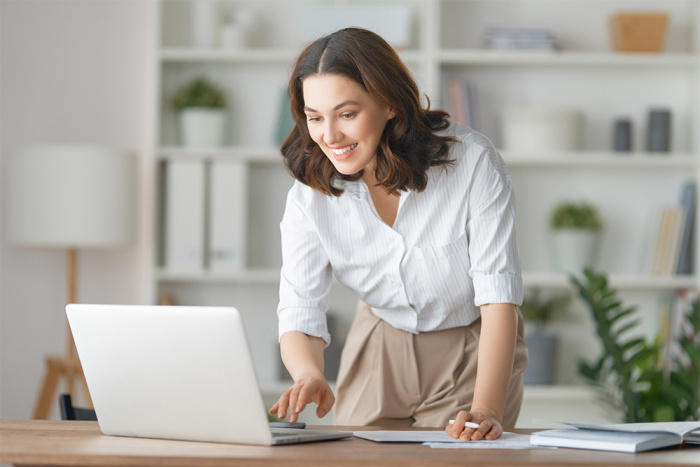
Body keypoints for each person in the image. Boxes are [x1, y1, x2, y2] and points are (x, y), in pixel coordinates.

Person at [269, 27, 528, 442]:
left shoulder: (473, 164)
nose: (329, 136)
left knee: (461, 453)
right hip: (378, 339)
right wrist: (308, 373)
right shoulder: (309, 195)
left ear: (389, 103)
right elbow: (300, 306)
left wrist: (485, 409)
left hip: (470, 341)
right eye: (315, 118)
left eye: (347, 114)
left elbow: (499, 296)